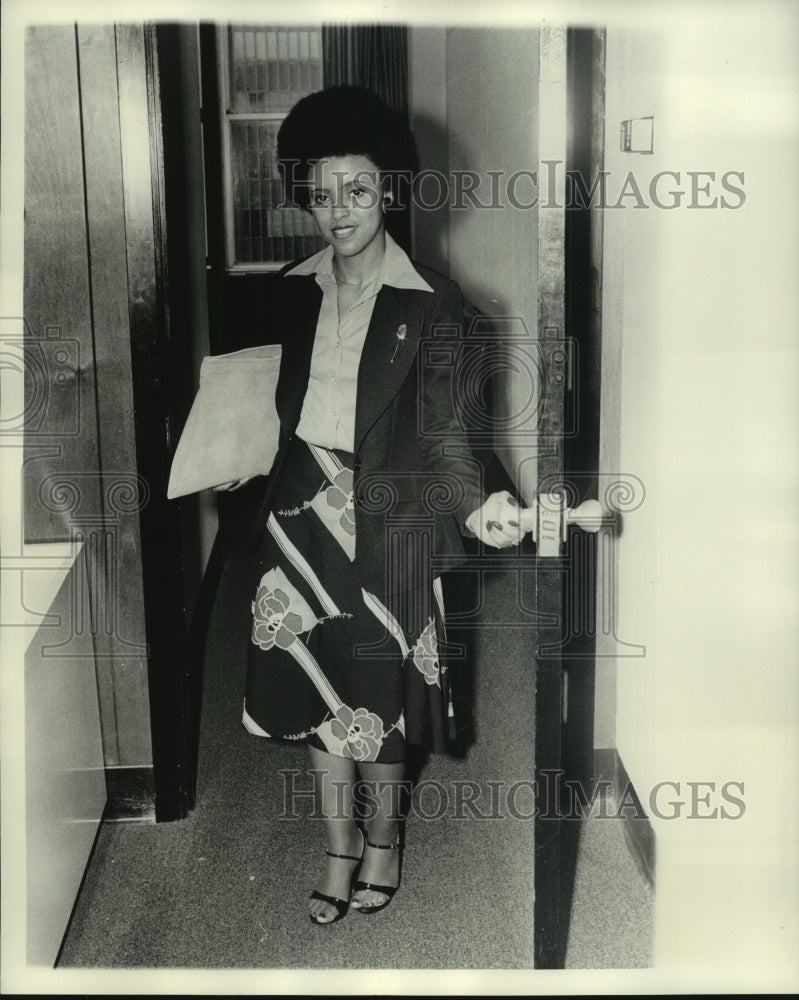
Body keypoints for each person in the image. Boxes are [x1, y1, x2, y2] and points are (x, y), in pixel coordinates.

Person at [225, 86, 524, 924]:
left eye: (355, 190)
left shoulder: (435, 301)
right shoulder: (289, 289)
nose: (337, 212)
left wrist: (476, 509)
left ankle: (384, 842)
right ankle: (336, 846)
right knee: (316, 689)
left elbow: (448, 436)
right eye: (320, 195)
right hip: (297, 514)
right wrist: (229, 458)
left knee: (377, 700)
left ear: (387, 187)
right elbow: (261, 409)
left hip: (388, 513)